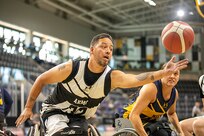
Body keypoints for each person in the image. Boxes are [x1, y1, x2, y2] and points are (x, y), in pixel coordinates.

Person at [15, 33, 188, 136]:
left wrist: (163, 73)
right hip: (55, 112)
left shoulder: (112, 77)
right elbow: (41, 79)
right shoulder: (72, 68)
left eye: (111, 49)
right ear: (91, 50)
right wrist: (28, 107)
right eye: (103, 46)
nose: (108, 51)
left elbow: (138, 79)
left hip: (80, 118)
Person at [119, 64, 184, 136]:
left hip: (148, 121)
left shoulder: (174, 93)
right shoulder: (151, 88)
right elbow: (133, 115)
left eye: (175, 74)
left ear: (178, 77)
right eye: (169, 73)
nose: (172, 76)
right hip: (127, 119)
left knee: (168, 133)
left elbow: (171, 114)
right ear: (162, 74)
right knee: (162, 134)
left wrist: (180, 132)